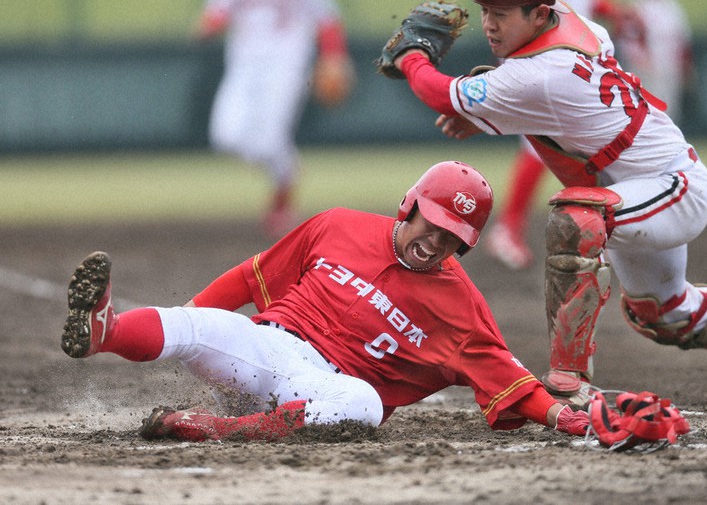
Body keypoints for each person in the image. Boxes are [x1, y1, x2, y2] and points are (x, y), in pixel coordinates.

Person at [384, 0, 707, 407]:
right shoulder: (574, 27)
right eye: (485, 11)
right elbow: (556, 109)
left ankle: (569, 379)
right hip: (636, 186)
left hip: (673, 186)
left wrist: (411, 57)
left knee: (576, 219)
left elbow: (440, 93)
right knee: (665, 316)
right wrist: (490, 117)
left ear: (539, 14)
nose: (489, 25)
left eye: (501, 14)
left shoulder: (541, 74)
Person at [60, 161, 590, 442]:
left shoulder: (460, 308)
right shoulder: (338, 225)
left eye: (453, 237)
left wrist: (565, 417)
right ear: (410, 205)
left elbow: (511, 381)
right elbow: (249, 278)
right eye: (432, 223)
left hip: (320, 392)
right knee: (192, 325)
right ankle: (107, 331)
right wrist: (197, 322)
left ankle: (215, 429)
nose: (436, 242)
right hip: (263, 349)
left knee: (364, 406)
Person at [485, 0, 642, 271]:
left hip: (578, 61)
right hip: (541, 59)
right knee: (538, 147)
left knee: (585, 147)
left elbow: (584, 1)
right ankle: (508, 229)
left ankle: (602, 229)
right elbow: (509, 13)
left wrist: (614, 9)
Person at [194, 0, 355, 240]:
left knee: (268, 142)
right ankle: (288, 167)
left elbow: (327, 19)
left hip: (287, 66)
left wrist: (334, 56)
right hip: (242, 65)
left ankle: (281, 200)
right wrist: (209, 25)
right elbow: (218, 10)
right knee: (225, 135)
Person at [620, 0, 694, 124]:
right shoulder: (633, 4)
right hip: (642, 64)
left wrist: (684, 63)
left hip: (668, 62)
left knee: (669, 102)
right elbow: (627, 36)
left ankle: (669, 134)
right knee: (643, 103)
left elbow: (681, 36)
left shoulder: (670, 5)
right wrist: (639, 58)